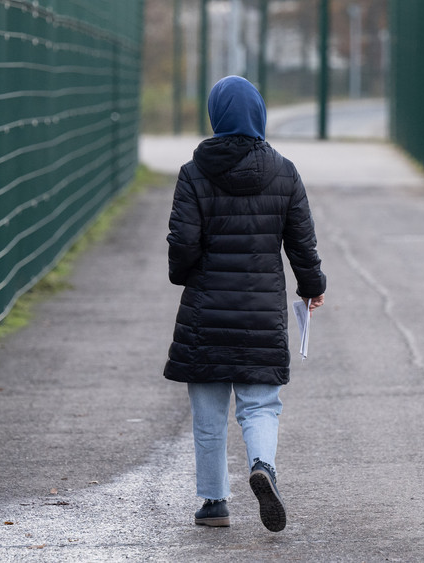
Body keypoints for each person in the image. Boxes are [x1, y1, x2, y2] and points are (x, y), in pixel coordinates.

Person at [164, 75, 326, 532]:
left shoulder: (194, 173)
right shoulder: (284, 171)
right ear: (259, 114)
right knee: (260, 406)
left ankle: (214, 502)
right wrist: (312, 285)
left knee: (208, 414)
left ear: (215, 115)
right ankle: (262, 467)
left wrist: (184, 274)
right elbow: (302, 241)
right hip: (260, 313)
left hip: (205, 314)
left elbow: (183, 243)